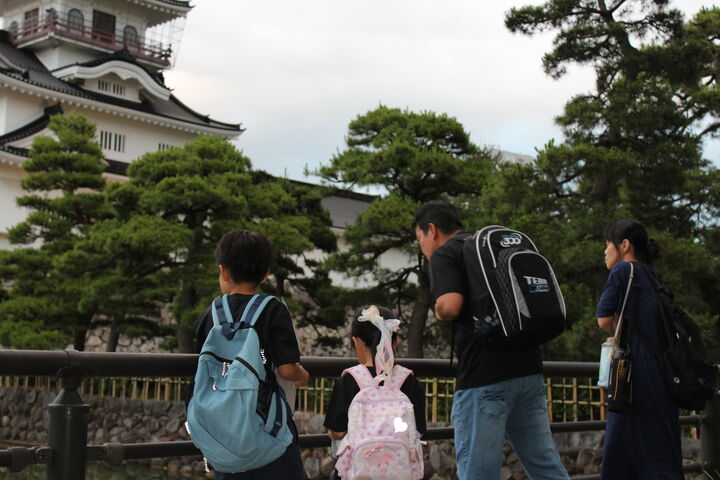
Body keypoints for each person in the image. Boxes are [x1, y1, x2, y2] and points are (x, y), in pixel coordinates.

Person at [413, 200, 568, 480]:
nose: (421, 246)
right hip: (528, 371)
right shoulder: (486, 247)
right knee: (545, 466)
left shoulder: (445, 254)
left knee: (478, 472)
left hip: (485, 378)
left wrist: (438, 309)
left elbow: (449, 306)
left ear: (431, 230)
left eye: (419, 238)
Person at [193, 229, 309, 480]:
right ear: (265, 274)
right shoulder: (273, 309)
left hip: (223, 433)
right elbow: (287, 369)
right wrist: (302, 376)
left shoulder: (209, 315)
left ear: (222, 271)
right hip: (265, 427)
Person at [596, 219, 682, 479]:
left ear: (624, 245)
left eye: (607, 245)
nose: (605, 251)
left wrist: (618, 332)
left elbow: (603, 320)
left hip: (633, 376)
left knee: (622, 455)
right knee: (658, 450)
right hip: (662, 374)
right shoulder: (652, 275)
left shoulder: (623, 272)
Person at [324, 305, 426, 480]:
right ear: (395, 341)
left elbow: (338, 432)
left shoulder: (350, 379)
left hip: (359, 471)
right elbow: (419, 430)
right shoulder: (408, 380)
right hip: (399, 471)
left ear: (356, 342)